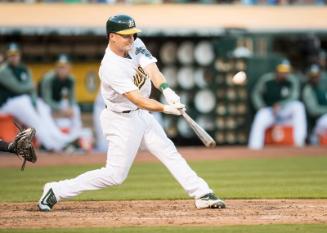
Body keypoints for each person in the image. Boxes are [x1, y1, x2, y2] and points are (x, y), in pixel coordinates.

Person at [38, 14, 226, 211]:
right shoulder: (110, 66)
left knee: (169, 152)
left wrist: (167, 90)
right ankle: (56, 190)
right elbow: (137, 99)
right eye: (126, 35)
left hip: (141, 115)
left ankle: (202, 193)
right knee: (114, 175)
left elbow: (152, 70)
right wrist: (165, 108)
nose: (132, 38)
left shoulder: (134, 44)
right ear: (112, 37)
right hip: (121, 119)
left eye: (133, 34)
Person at [0, 43, 79, 151]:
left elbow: (31, 90)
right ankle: (54, 145)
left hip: (24, 101)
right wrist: (31, 87)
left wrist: (34, 103)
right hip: (6, 104)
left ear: (19, 55)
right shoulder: (3, 70)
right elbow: (18, 88)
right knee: (36, 120)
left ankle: (62, 140)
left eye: (16, 54)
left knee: (42, 111)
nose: (14, 57)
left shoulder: (24, 68)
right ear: (7, 56)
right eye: (11, 55)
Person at [248, 59, 307, 150]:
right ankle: (254, 148)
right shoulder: (267, 79)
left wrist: (281, 104)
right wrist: (261, 106)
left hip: (284, 110)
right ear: (276, 70)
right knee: (260, 116)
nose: (283, 74)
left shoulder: (292, 80)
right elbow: (256, 94)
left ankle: (299, 142)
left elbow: (294, 96)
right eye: (281, 71)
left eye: (285, 71)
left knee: (298, 106)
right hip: (269, 109)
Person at [39, 54, 82, 138]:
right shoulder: (48, 79)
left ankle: (76, 136)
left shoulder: (71, 79)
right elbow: (46, 99)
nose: (62, 69)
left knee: (75, 109)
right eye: (60, 66)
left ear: (69, 67)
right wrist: (61, 109)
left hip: (57, 102)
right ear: (56, 67)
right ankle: (50, 137)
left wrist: (70, 107)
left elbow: (72, 98)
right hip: (43, 103)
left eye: (64, 67)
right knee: (45, 111)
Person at [302, 64, 327, 144]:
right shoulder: (308, 90)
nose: (315, 78)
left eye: (317, 76)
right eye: (312, 76)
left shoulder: (323, 86)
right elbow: (313, 111)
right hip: (317, 122)